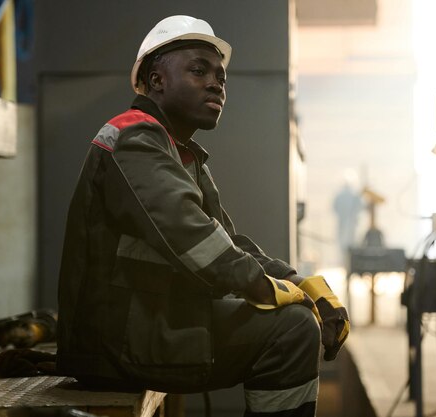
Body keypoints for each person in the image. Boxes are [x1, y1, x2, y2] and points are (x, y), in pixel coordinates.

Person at [56, 15, 350, 417]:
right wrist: (271, 291)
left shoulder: (179, 153)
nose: (217, 84)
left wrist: (300, 283)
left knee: (297, 318)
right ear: (156, 80)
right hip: (118, 342)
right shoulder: (133, 138)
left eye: (221, 77)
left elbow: (228, 244)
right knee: (294, 330)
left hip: (152, 324)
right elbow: (196, 242)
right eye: (199, 71)